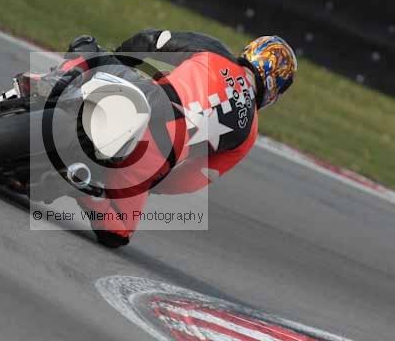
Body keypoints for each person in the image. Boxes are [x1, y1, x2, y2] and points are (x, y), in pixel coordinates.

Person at [55, 30, 297, 247]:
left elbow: (153, 40)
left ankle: (59, 78)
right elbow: (195, 179)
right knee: (118, 232)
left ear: (252, 51)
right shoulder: (249, 133)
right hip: (159, 152)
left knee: (90, 49)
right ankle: (85, 190)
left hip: (144, 95)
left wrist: (119, 58)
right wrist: (152, 185)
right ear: (275, 89)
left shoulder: (215, 51)